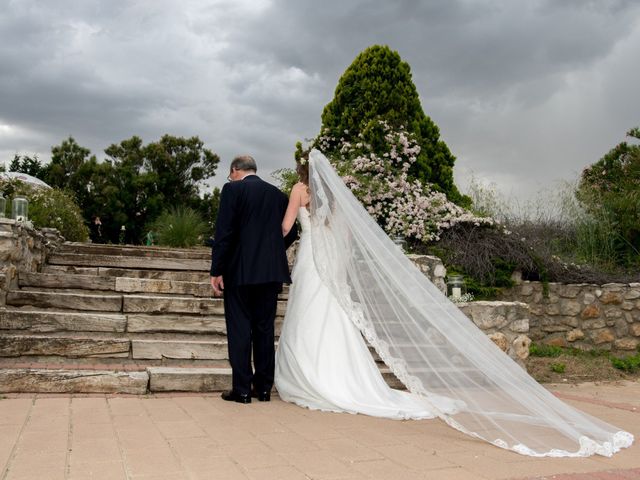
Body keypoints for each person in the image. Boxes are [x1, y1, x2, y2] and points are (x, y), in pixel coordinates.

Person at [274, 149, 633, 457]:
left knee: (308, 316)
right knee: (332, 318)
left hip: (309, 260)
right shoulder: (337, 200)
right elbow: (348, 239)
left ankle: (311, 376)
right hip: (331, 264)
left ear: (303, 172)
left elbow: (286, 226)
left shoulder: (300, 191)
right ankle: (340, 377)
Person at [210, 155, 297, 404]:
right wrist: (273, 250)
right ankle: (264, 388)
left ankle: (242, 390)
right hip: (270, 273)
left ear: (235, 170)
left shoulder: (232, 189)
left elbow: (224, 232)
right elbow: (291, 230)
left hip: (239, 271)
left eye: (231, 174)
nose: (231, 178)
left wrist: (217, 270)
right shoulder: (277, 195)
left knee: (239, 329)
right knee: (264, 329)